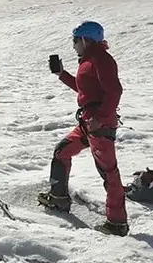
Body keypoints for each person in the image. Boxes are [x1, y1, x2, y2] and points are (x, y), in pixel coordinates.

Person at [39, 21, 128, 236]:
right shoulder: (89, 60)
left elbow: (114, 92)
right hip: (89, 123)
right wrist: (62, 74)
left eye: (75, 40)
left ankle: (117, 223)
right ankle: (59, 198)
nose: (73, 46)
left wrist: (99, 118)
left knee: (109, 172)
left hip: (99, 125)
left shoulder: (102, 60)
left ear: (85, 39)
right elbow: (86, 90)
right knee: (62, 151)